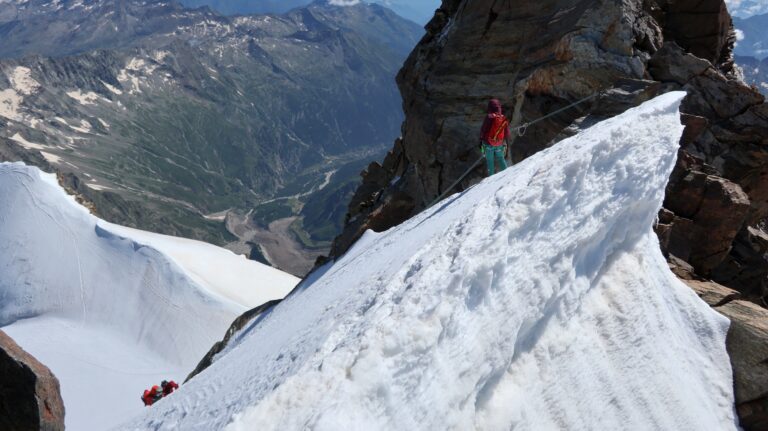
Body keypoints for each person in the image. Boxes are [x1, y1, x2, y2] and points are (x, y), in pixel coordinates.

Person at [479, 98, 511, 175]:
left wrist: (481, 140)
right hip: (499, 143)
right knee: (501, 158)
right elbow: (507, 132)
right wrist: (505, 142)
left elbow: (483, 129)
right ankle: (507, 175)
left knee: (490, 161)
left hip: (488, 144)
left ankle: (491, 180)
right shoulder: (502, 117)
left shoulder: (489, 117)